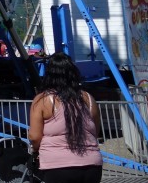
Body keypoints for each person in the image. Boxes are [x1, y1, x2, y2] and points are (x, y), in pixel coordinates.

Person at [28, 52, 102, 183]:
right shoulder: (88, 98)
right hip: (91, 165)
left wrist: (35, 150)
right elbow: (95, 131)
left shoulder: (43, 100)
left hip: (57, 165)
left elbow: (34, 136)